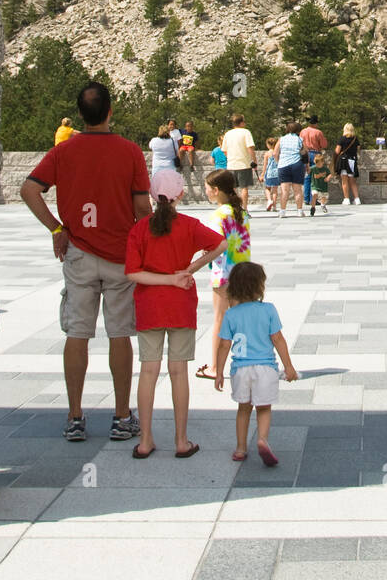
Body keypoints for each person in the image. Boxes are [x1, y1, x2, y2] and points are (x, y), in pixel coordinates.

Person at [20, 81, 150, 444]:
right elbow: (142, 208)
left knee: (77, 333)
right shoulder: (129, 152)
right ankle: (122, 417)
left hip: (78, 252)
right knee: (120, 333)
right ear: (110, 111)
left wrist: (56, 228)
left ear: (80, 115)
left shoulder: (64, 151)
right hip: (120, 255)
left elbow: (29, 189)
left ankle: (75, 417)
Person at [125, 170, 225, 458]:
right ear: (180, 195)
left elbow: (133, 273)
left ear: (152, 197)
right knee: (179, 371)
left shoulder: (139, 229)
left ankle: (145, 440)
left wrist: (165, 278)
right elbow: (220, 244)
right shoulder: (189, 225)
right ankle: (181, 441)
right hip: (180, 305)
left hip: (149, 306)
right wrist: (188, 270)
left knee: (148, 371)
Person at [215, 262, 298, 465]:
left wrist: (218, 372)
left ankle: (241, 448)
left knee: (243, 409)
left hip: (240, 369)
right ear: (259, 287)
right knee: (263, 408)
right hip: (265, 368)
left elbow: (224, 345)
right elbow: (278, 339)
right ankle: (262, 440)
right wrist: (288, 366)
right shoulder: (268, 310)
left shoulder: (231, 314)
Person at [195, 169, 251, 381]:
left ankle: (215, 366)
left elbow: (215, 245)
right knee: (241, 319)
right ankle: (245, 362)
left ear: (216, 190)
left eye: (208, 188)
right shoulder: (242, 212)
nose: (206, 191)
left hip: (223, 272)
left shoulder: (218, 215)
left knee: (220, 319)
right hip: (243, 271)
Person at [221, 114, 257, 211]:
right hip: (244, 164)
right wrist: (254, 161)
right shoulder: (246, 132)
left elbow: (224, 150)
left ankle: (236, 208)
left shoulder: (228, 134)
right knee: (244, 188)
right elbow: (250, 147)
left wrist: (230, 157)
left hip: (231, 164)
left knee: (233, 189)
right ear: (241, 122)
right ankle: (244, 209)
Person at [275, 122, 307, 217]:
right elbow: (305, 153)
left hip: (284, 165)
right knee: (297, 190)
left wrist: (279, 162)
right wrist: (307, 166)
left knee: (285, 190)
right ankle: (300, 211)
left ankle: (282, 211)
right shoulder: (300, 139)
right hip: (297, 164)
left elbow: (275, 153)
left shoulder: (281, 139)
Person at [299, 114, 328, 205]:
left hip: (305, 153)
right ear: (315, 123)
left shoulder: (303, 132)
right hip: (315, 154)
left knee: (307, 176)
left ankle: (306, 198)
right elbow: (324, 145)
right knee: (315, 177)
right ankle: (313, 199)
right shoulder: (318, 132)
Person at [335, 123, 361, 205]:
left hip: (344, 161)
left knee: (344, 181)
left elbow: (337, 151)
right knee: (353, 181)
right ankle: (357, 199)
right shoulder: (355, 139)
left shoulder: (342, 139)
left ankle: (346, 199)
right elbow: (358, 149)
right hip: (352, 161)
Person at [259, 137, 280, 212]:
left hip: (269, 173)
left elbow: (265, 165)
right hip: (277, 173)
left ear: (268, 145)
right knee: (275, 190)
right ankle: (274, 206)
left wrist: (262, 174)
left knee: (267, 188)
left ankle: (269, 200)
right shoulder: (277, 153)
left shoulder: (267, 154)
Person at [309, 151, 331, 215]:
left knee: (324, 198)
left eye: (319, 164)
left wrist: (328, 178)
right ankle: (313, 208)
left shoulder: (325, 169)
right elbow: (307, 171)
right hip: (314, 186)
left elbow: (329, 174)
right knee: (314, 194)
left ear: (323, 162)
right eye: (316, 164)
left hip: (323, 187)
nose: (317, 165)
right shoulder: (313, 168)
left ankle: (322, 205)